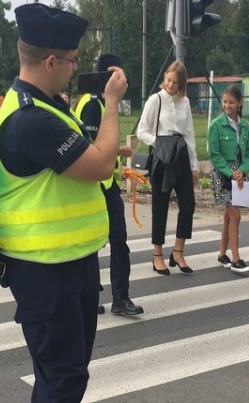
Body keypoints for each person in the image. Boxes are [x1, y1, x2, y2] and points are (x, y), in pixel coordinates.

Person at [0, 3, 127, 403]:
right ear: (50, 61)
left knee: (58, 369)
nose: (77, 68)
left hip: (67, 263)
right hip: (45, 270)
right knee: (66, 378)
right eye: (71, 60)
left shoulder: (41, 105)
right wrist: (112, 105)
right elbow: (99, 164)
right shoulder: (30, 121)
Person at [74, 54, 144, 316]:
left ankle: (103, 297)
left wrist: (118, 155)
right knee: (113, 240)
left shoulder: (100, 102)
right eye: (121, 74)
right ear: (111, 74)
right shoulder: (92, 105)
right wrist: (117, 153)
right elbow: (92, 148)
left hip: (105, 183)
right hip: (98, 186)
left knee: (110, 241)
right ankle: (115, 298)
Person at [136, 60, 199, 275]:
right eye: (168, 80)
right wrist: (160, 143)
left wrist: (194, 165)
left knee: (188, 203)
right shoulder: (155, 100)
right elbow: (141, 131)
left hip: (181, 155)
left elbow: (189, 134)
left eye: (175, 82)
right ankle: (157, 255)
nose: (170, 85)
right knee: (160, 206)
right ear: (165, 78)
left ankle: (178, 251)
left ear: (182, 84)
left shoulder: (186, 102)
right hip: (162, 157)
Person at [207, 85, 249, 273]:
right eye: (225, 102)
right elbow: (215, 155)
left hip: (240, 175)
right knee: (235, 214)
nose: (227, 105)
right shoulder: (216, 125)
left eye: (231, 102)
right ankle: (236, 259)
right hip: (223, 174)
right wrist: (231, 172)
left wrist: (242, 170)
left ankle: (222, 254)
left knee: (229, 215)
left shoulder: (244, 125)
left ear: (239, 104)